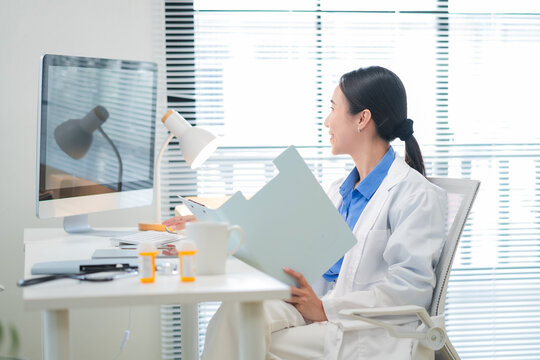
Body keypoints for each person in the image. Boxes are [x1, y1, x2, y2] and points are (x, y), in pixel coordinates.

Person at [168, 66, 447, 360]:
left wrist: (325, 309)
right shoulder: (340, 190)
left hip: (370, 329)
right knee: (237, 312)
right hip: (319, 303)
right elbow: (297, 249)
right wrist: (217, 231)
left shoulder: (414, 193)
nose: (327, 121)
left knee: (251, 343)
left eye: (333, 109)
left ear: (362, 119)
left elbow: (411, 290)